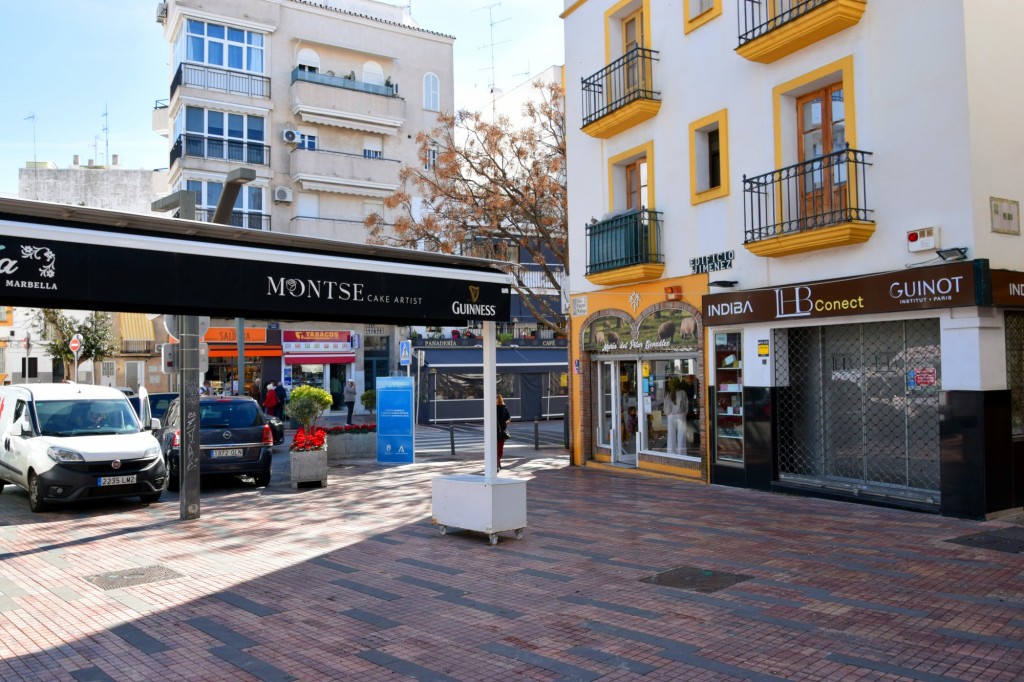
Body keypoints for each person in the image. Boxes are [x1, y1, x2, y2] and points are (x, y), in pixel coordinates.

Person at [664, 377, 689, 455]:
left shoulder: (668, 394)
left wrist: (668, 413)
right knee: (681, 435)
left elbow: (666, 406)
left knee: (671, 435)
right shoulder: (682, 392)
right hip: (681, 414)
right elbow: (686, 404)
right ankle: (681, 453)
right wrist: (685, 412)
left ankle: (671, 452)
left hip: (671, 415)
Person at [496, 395, 511, 471]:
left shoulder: (503, 407)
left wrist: (506, 422)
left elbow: (508, 417)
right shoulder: (492, 408)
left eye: (497, 398)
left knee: (500, 449)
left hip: (501, 430)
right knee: (495, 448)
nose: (495, 399)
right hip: (493, 431)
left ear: (500, 399)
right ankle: (497, 463)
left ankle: (498, 462)